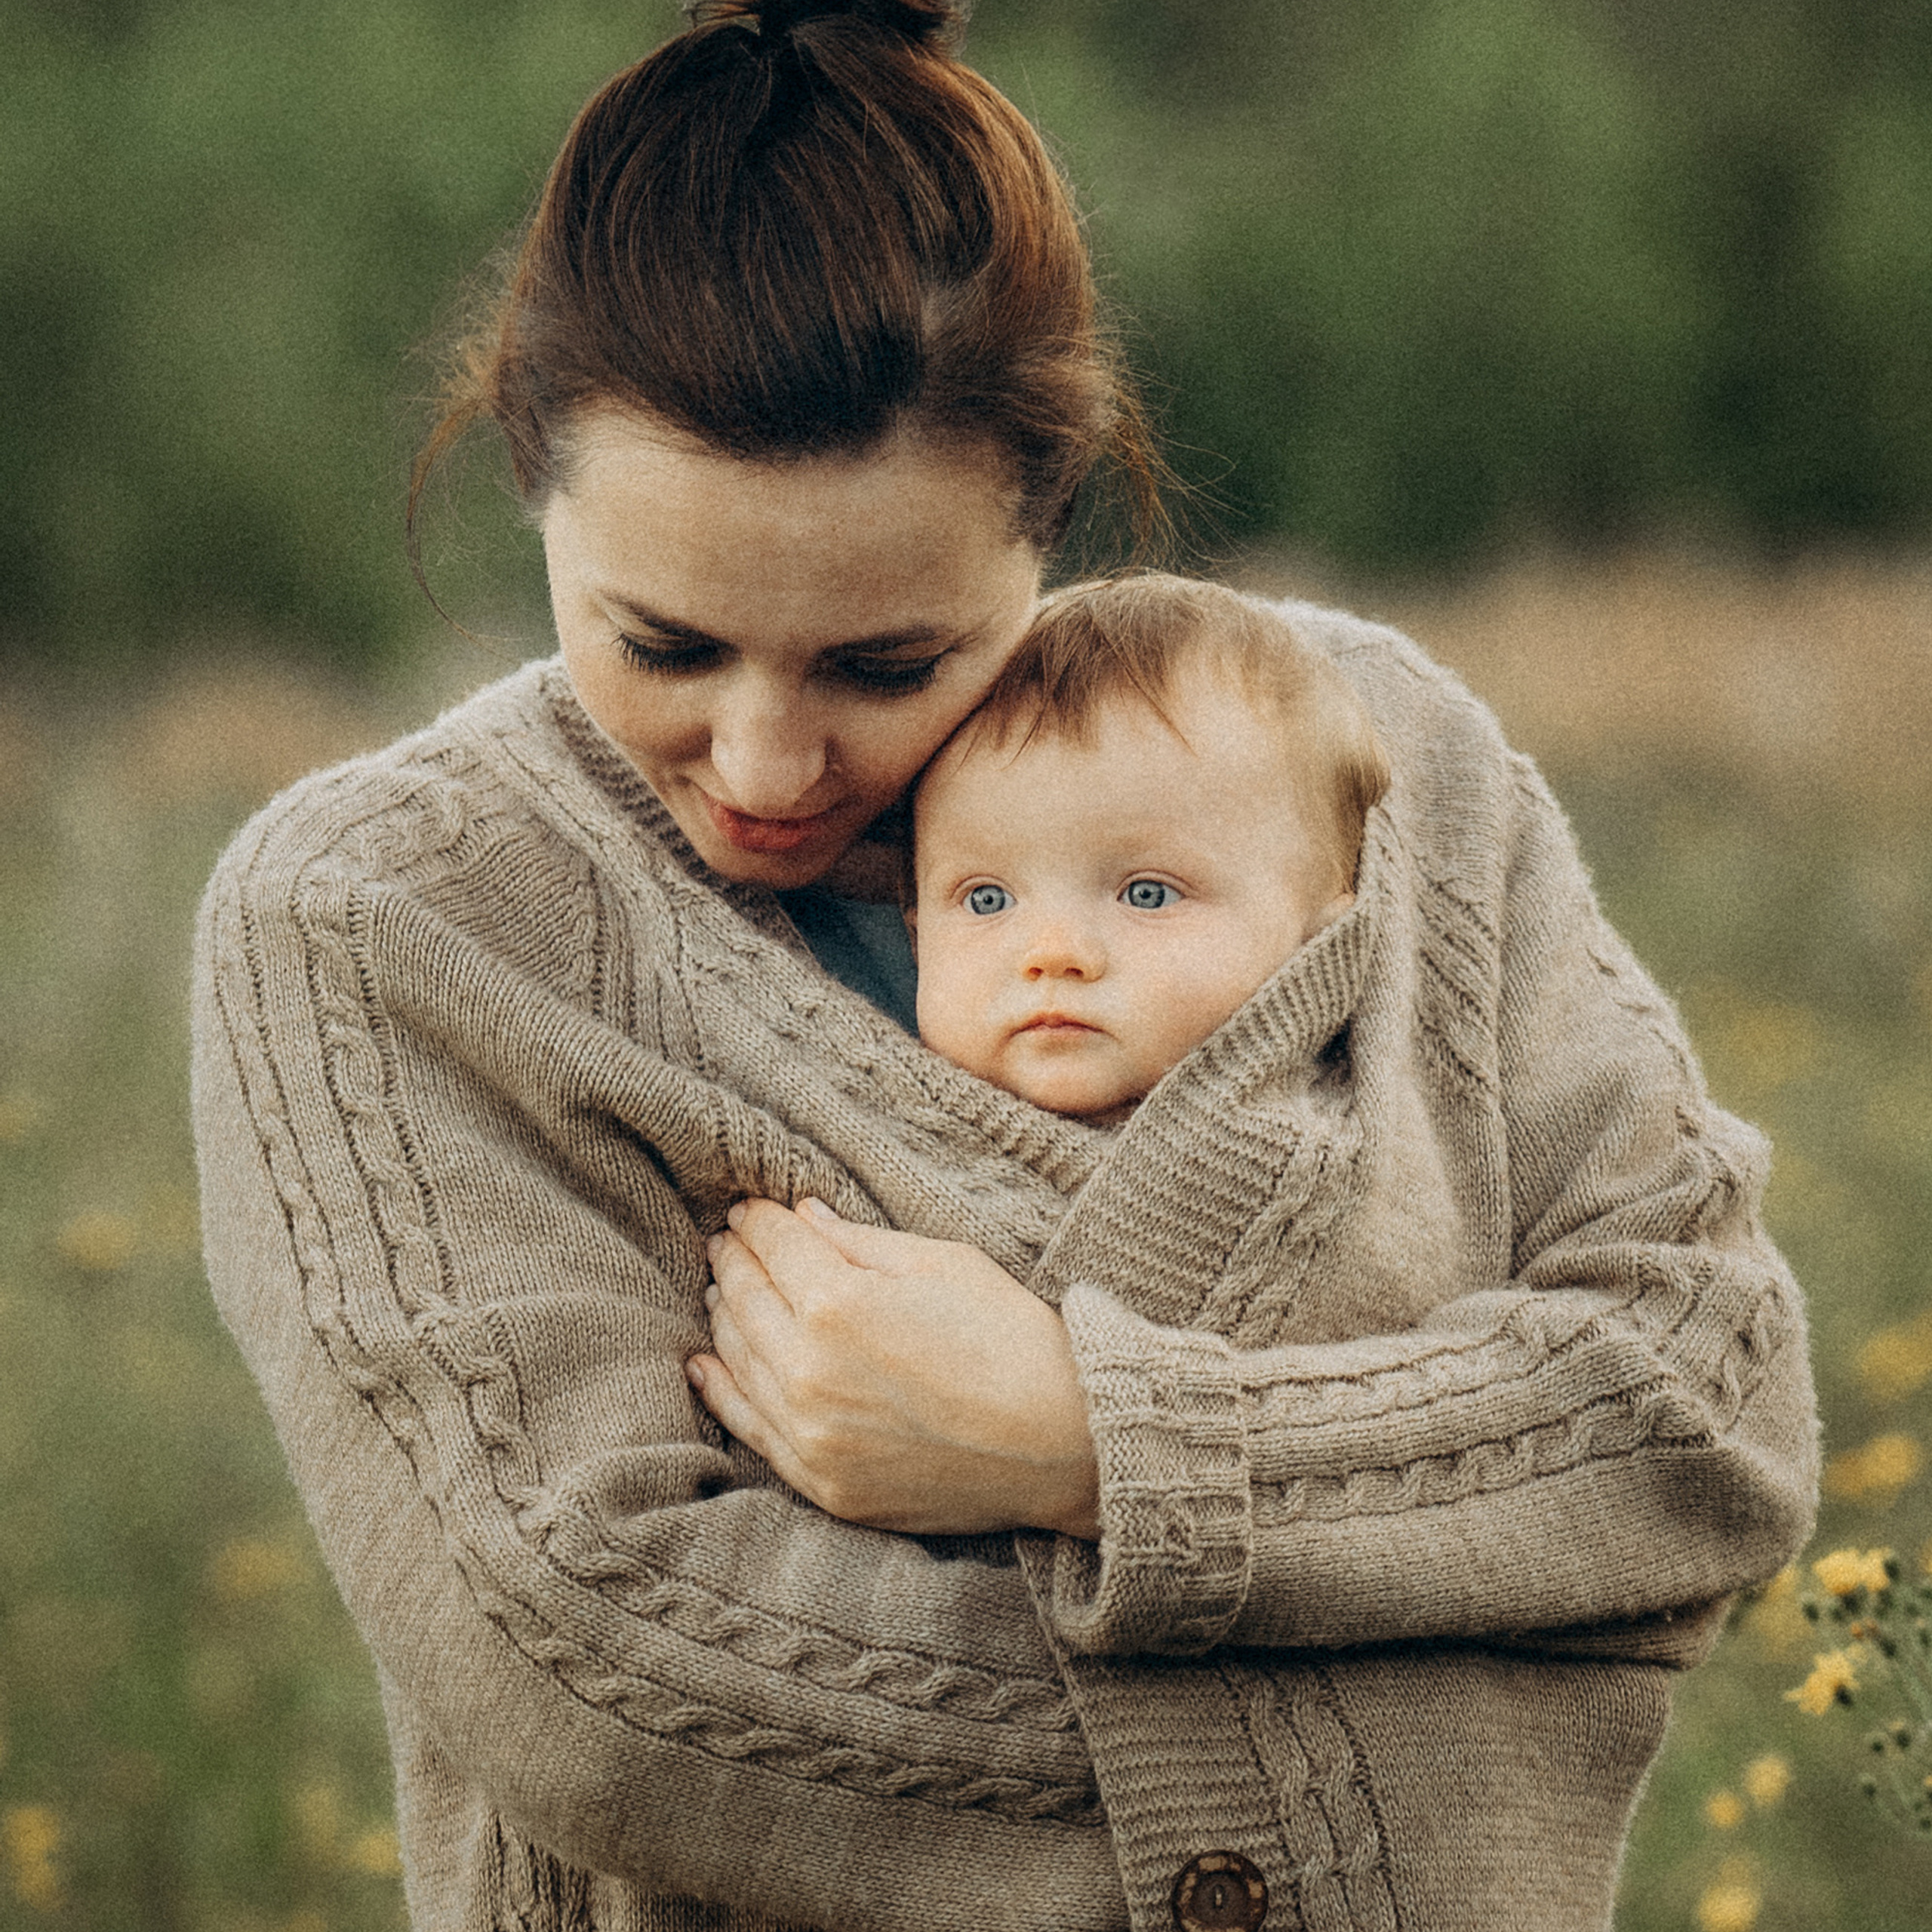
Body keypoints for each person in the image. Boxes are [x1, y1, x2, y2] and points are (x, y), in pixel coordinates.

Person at [189, 5, 1818, 1930]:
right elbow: (602, 1677)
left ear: (1047, 515)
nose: (770, 764)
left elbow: (1706, 1403)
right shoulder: (378, 918)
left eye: (888, 663)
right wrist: (1475, 1644)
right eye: (667, 645)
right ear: (528, 475)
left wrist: (1088, 1440)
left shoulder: (1372, 751)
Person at [901, 572, 1387, 1125]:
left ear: (1320, 945)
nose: (1053, 954)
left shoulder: (1347, 1153)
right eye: (986, 899)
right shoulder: (865, 1127)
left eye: (1148, 895)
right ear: (917, 940)